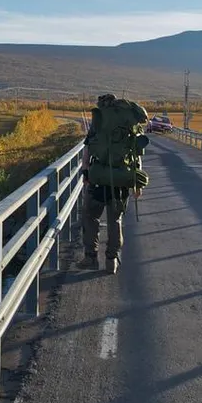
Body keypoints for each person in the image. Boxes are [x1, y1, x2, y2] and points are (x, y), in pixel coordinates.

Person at [78, 93, 149, 274]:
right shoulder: (129, 122)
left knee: (90, 216)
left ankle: (90, 257)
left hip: (98, 178)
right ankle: (112, 261)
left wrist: (85, 172)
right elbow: (136, 154)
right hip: (121, 180)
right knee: (115, 221)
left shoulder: (99, 118)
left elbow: (88, 148)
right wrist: (137, 184)